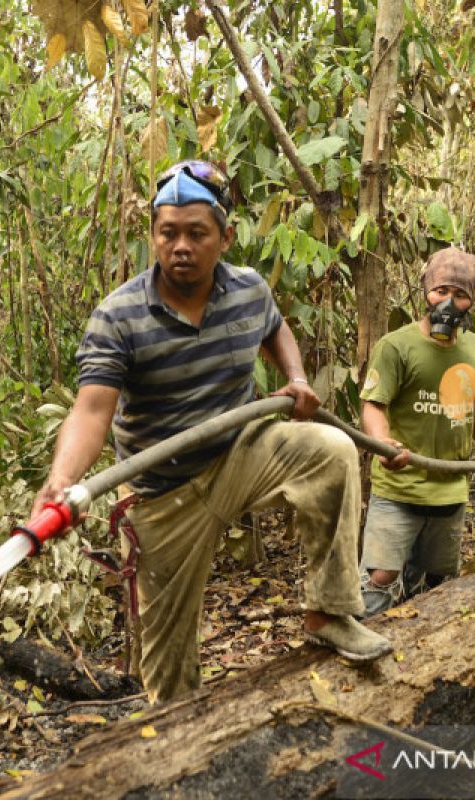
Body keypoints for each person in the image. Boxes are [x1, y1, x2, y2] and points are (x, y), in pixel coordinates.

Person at [32, 160, 391, 703]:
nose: (180, 246)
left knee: (331, 448)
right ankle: (178, 747)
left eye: (196, 234)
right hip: (162, 495)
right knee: (168, 669)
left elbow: (275, 327)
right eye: (167, 232)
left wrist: (294, 377)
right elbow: (91, 412)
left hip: (240, 454)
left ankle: (329, 612)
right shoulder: (119, 315)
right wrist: (61, 482)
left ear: (224, 237)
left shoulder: (247, 289)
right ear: (152, 235)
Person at [359, 247, 475, 616]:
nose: (448, 301)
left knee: (434, 581)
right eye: (440, 291)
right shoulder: (396, 345)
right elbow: (373, 403)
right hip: (400, 485)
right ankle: (360, 646)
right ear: (425, 292)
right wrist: (381, 443)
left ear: (472, 302)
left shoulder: (473, 346)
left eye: (460, 294)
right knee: (381, 576)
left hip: (450, 487)